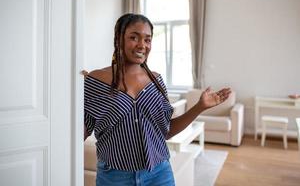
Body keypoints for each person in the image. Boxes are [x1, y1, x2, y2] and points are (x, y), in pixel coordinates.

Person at [83, 13, 231, 186]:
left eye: (147, 40)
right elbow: (79, 133)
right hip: (114, 177)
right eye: (134, 37)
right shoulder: (96, 80)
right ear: (118, 38)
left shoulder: (156, 81)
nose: (142, 45)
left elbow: (166, 131)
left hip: (159, 174)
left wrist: (200, 107)